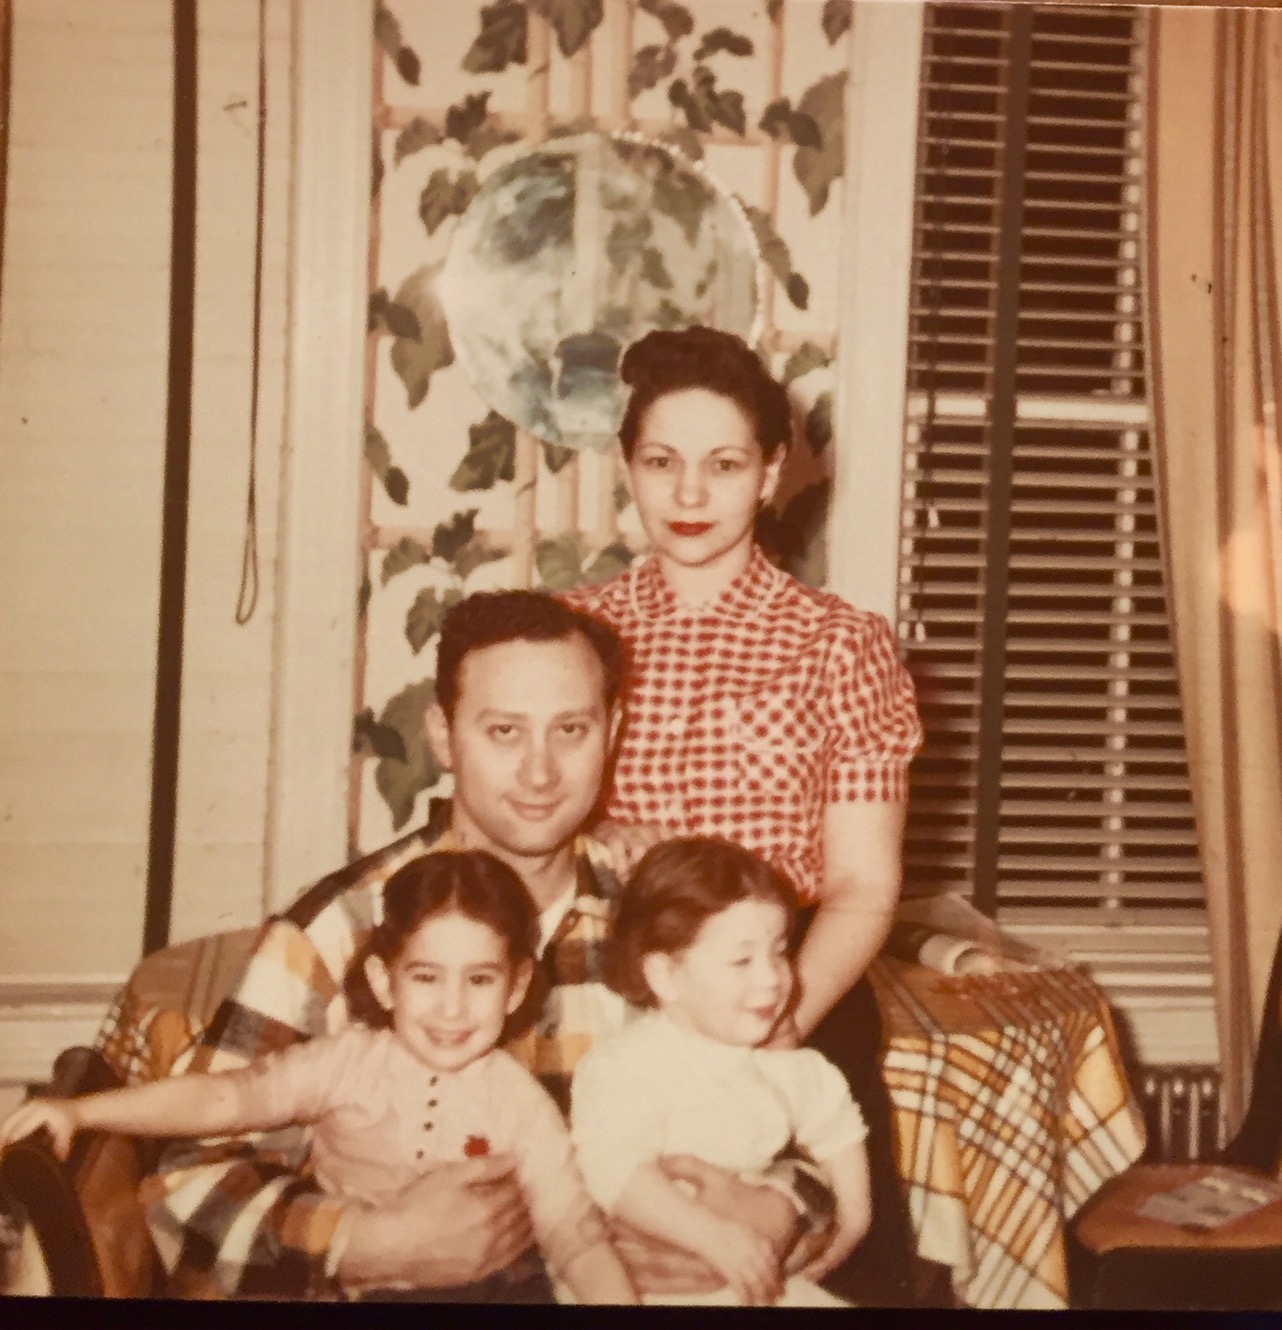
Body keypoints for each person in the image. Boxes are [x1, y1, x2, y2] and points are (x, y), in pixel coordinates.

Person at [142, 591, 826, 1298]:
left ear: (613, 730)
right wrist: (357, 1240)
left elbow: (807, 1120)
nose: (540, 772)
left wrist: (780, 1211)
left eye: (571, 730)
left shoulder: (671, 920)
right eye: (504, 732)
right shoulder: (340, 928)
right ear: (444, 735)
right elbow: (186, 1177)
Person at [564, 324, 925, 1303]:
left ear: (770, 474)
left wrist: (781, 1019)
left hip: (787, 985)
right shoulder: (574, 632)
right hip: (611, 989)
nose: (689, 494)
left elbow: (863, 887)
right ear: (627, 468)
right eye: (661, 462)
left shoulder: (839, 644)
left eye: (723, 465)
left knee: (807, 1265)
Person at [4, 851, 636, 1304]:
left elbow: (577, 1239)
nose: (452, 1009)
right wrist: (82, 1111)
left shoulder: (521, 1104)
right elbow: (225, 1097)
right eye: (425, 977)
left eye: (479, 980)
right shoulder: (346, 1063)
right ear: (384, 982)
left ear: (516, 987)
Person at [571, 837, 870, 1308]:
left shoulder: (786, 1066)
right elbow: (613, 1169)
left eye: (779, 952)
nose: (771, 978)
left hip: (750, 1273)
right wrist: (714, 1237)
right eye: (741, 960)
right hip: (645, 1285)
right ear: (665, 976)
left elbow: (838, 1126)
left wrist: (853, 1218)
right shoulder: (624, 1066)